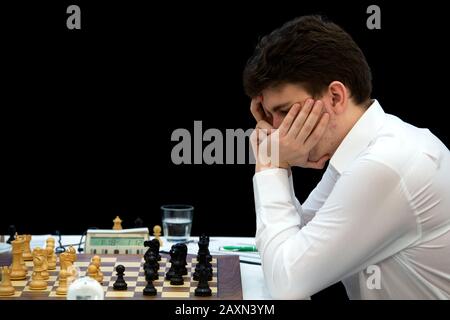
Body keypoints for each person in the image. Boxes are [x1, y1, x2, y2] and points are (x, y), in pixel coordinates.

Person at [244, 15, 450, 299]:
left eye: (284, 110)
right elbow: (298, 241)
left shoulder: (387, 164)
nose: (276, 127)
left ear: (336, 97)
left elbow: (287, 285)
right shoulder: (365, 148)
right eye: (269, 115)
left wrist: (272, 164)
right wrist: (278, 165)